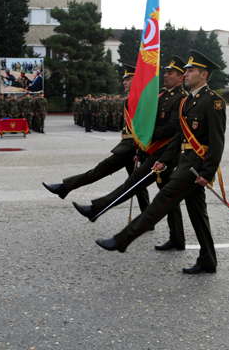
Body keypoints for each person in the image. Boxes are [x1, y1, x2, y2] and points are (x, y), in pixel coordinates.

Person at [95, 50, 226, 275]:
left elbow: (217, 141)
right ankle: (208, 259)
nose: (186, 73)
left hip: (195, 169)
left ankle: (123, 239)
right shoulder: (189, 101)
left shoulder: (213, 102)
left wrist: (208, 172)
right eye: (185, 70)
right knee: (198, 214)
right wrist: (164, 161)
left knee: (162, 200)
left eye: (190, 70)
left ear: (204, 74)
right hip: (185, 162)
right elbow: (179, 138)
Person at [71, 56, 189, 250]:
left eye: (170, 73)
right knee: (168, 199)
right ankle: (177, 238)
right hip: (153, 151)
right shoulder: (162, 95)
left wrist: (146, 137)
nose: (165, 75)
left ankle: (97, 209)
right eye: (165, 72)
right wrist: (141, 150)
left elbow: (172, 129)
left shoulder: (181, 98)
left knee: (133, 183)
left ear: (180, 77)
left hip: (166, 154)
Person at [43, 65, 149, 216]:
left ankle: (65, 187)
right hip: (129, 147)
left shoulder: (140, 99)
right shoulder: (133, 98)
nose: (124, 82)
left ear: (136, 79)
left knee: (99, 171)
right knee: (137, 184)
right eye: (123, 79)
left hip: (130, 148)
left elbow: (143, 127)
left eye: (128, 79)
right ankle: (147, 218)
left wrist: (140, 150)